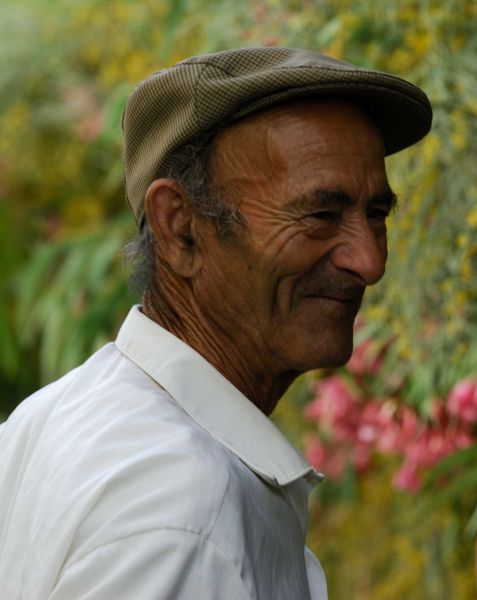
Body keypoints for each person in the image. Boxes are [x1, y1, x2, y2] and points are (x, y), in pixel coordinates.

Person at [0, 47, 431, 599]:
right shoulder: (184, 514)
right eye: (321, 215)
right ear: (181, 229)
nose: (368, 261)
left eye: (376, 214)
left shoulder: (51, 417)